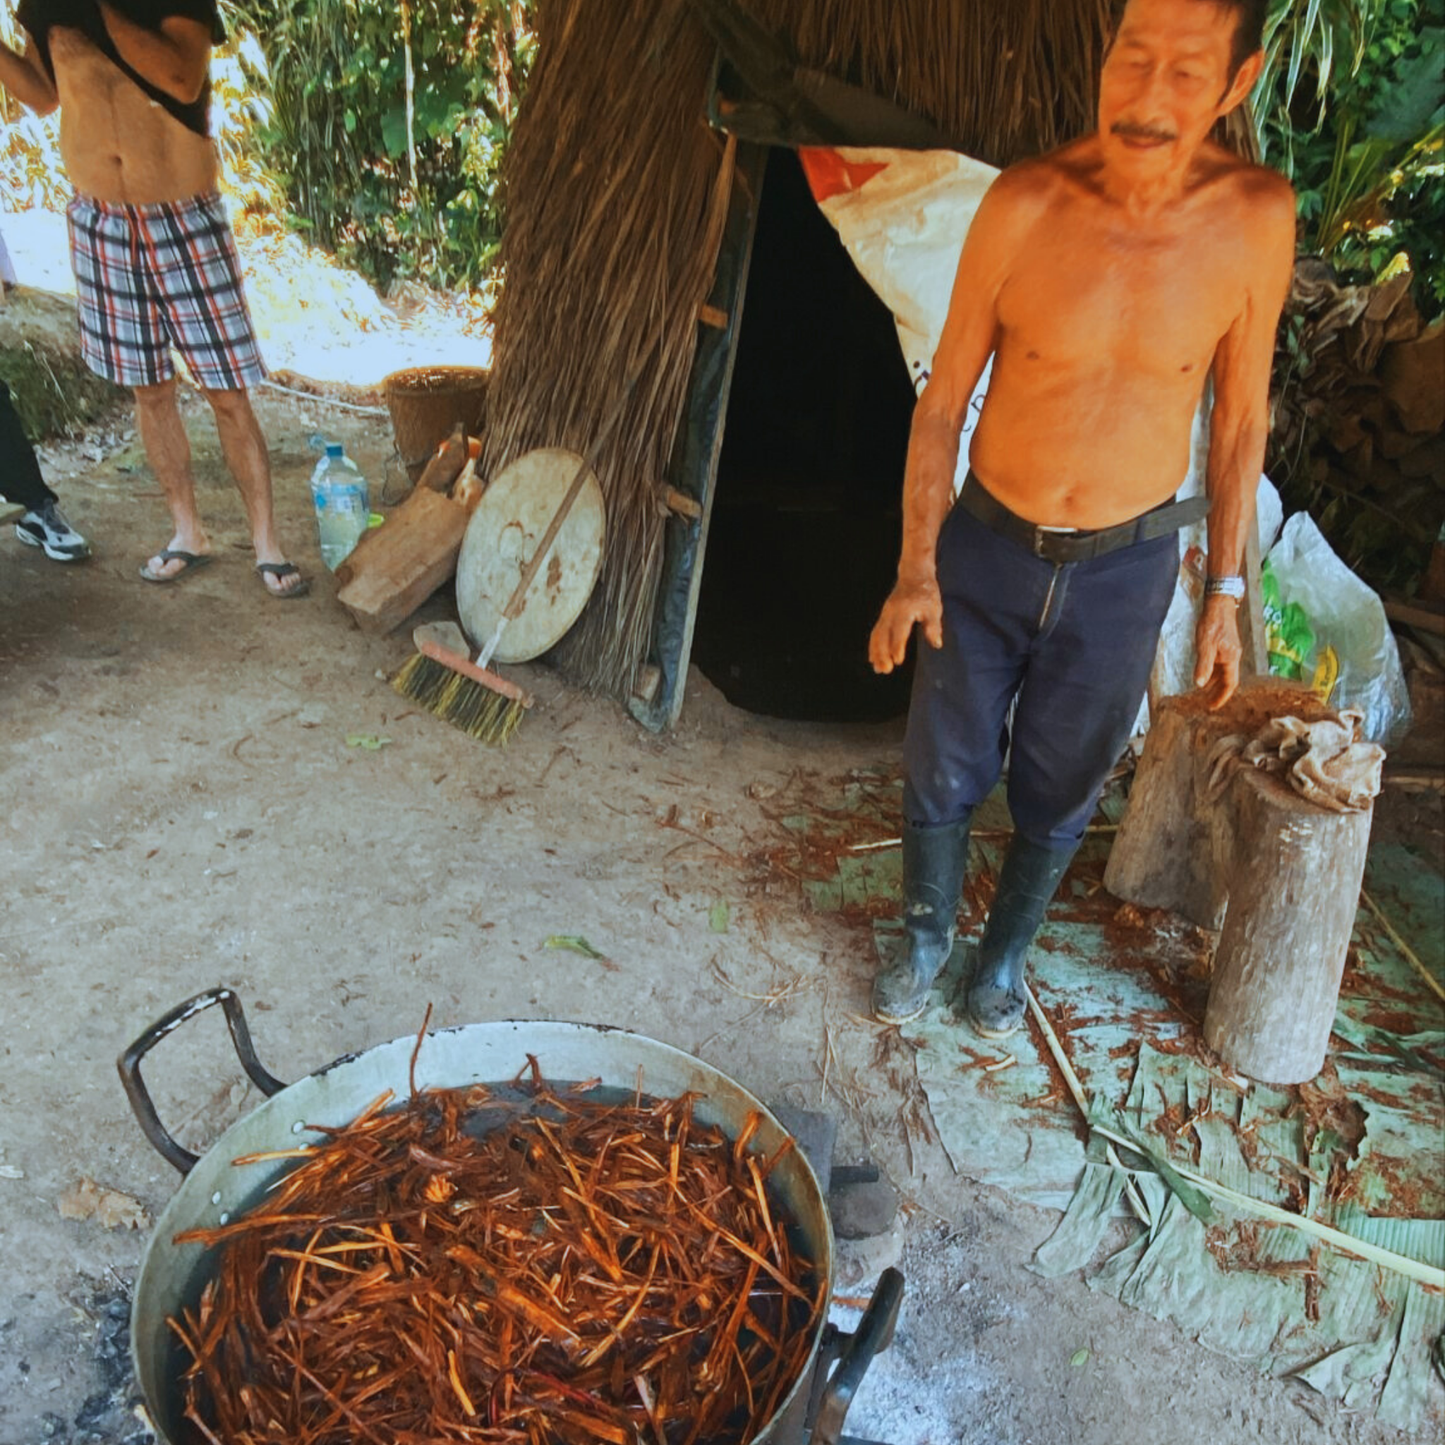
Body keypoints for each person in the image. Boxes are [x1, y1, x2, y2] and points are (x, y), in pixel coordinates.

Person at [867, 0, 1295, 1037]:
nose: (1146, 97)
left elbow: (1238, 418)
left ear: (1237, 84)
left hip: (1124, 566)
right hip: (986, 543)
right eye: (1129, 59)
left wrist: (1225, 595)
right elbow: (939, 403)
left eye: (1185, 74)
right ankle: (925, 931)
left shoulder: (1252, 220)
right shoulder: (1023, 203)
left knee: (1064, 775)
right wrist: (914, 564)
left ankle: (1002, 955)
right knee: (944, 751)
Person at [0, 0, 307, 596]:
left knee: (225, 390)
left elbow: (180, 77)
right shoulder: (40, 2)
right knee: (151, 389)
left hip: (183, 214)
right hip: (101, 220)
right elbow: (42, 95)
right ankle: (187, 532)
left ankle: (267, 543)